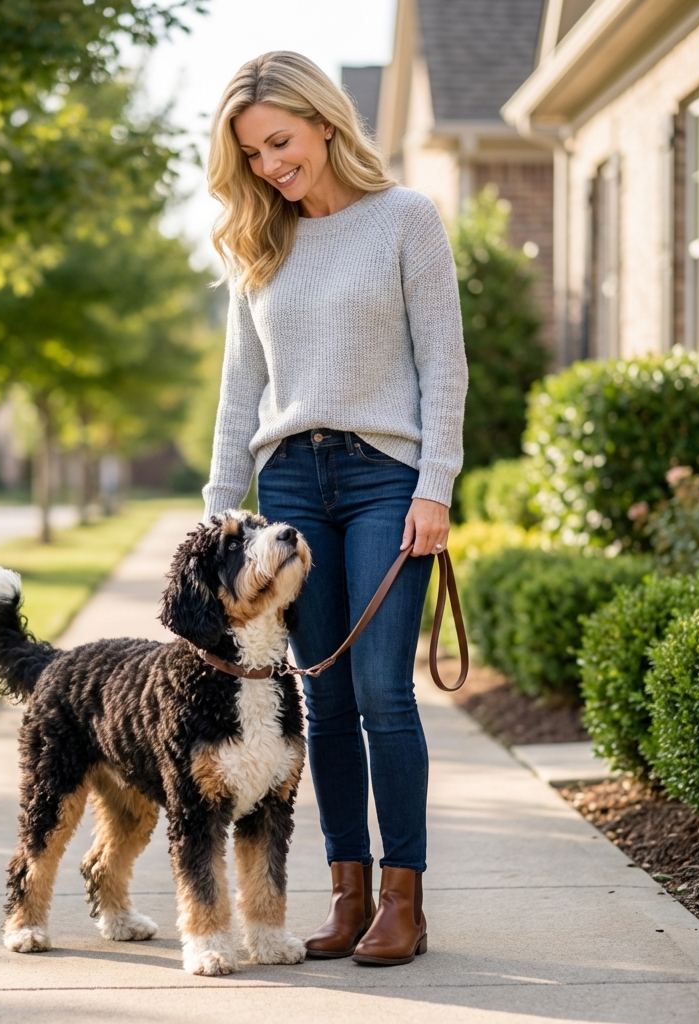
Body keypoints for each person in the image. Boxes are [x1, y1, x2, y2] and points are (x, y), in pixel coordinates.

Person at [203, 51, 467, 966]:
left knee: (385, 690)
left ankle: (405, 898)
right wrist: (217, 512)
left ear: (323, 122)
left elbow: (444, 364)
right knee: (324, 696)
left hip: (383, 479)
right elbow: (241, 393)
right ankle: (346, 894)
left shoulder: (405, 219)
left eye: (281, 141)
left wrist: (435, 484)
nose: (272, 165)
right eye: (253, 154)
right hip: (289, 490)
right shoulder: (259, 246)